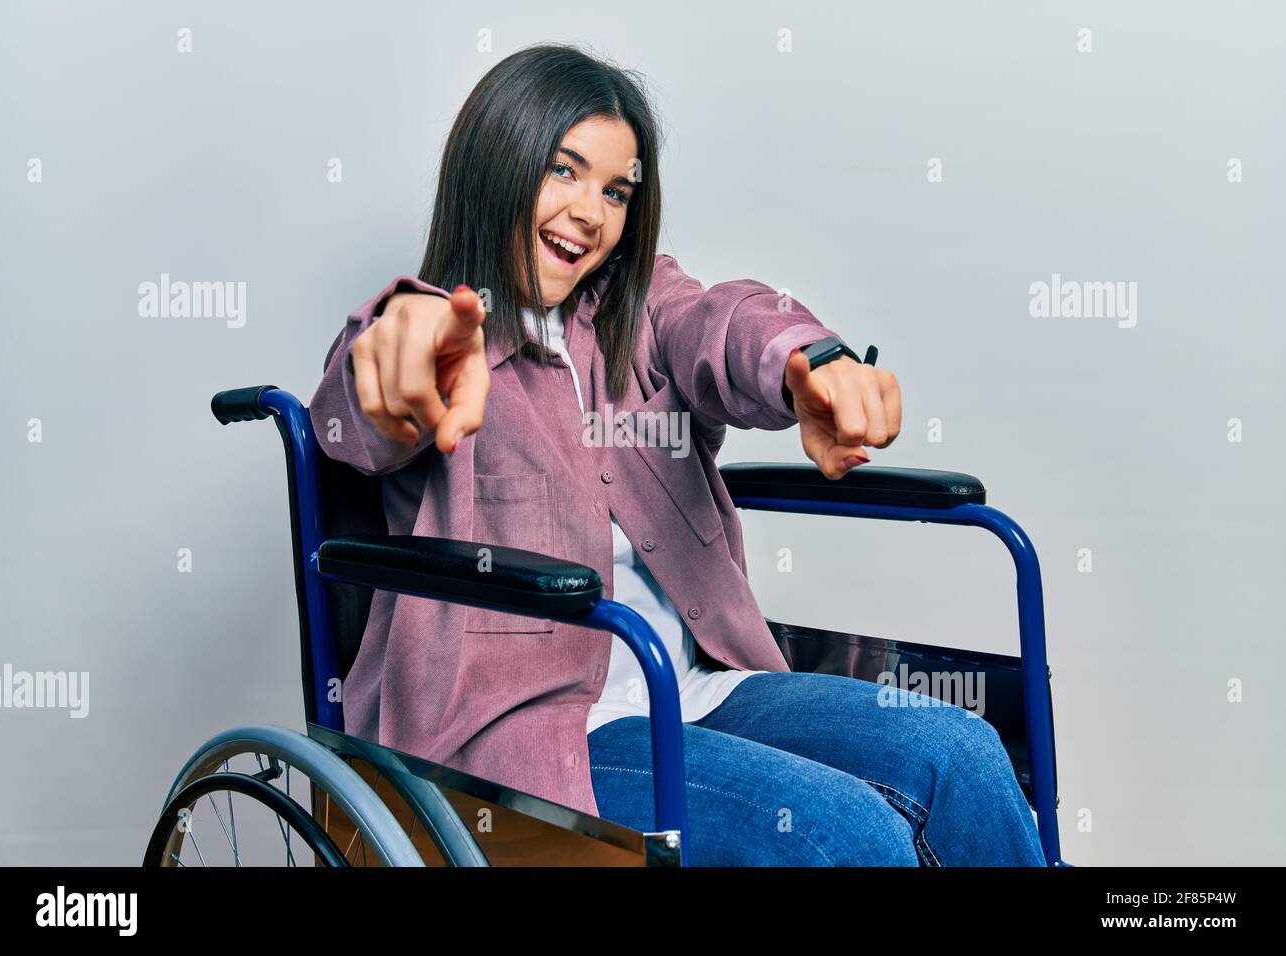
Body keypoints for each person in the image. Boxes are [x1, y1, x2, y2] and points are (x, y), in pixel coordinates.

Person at [310, 42, 1045, 866]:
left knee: (963, 755)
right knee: (846, 832)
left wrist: (815, 364)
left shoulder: (639, 312)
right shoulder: (441, 337)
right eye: (563, 171)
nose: (591, 212)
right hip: (530, 734)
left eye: (616, 190)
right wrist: (400, 344)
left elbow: (725, 325)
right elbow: (358, 412)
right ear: (496, 164)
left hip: (701, 687)